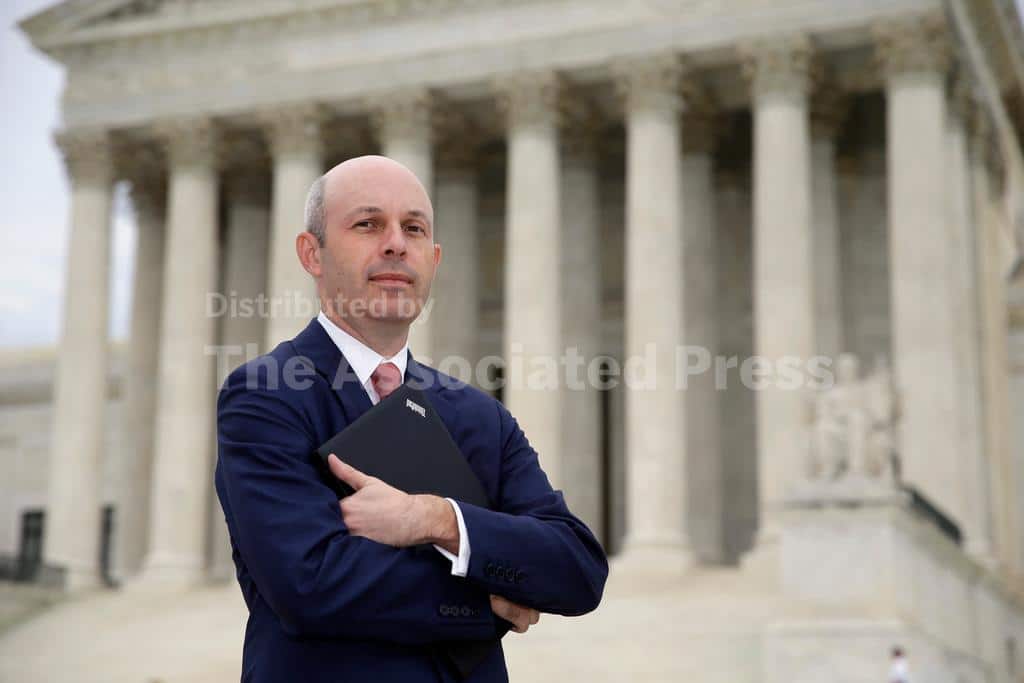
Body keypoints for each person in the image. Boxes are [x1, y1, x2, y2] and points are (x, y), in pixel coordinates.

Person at [214, 155, 608, 683]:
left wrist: (436, 519)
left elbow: (577, 569)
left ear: (434, 258)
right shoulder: (265, 396)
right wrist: (494, 593)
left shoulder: (481, 417)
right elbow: (310, 586)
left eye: (414, 228)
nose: (396, 243)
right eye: (367, 224)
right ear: (312, 253)